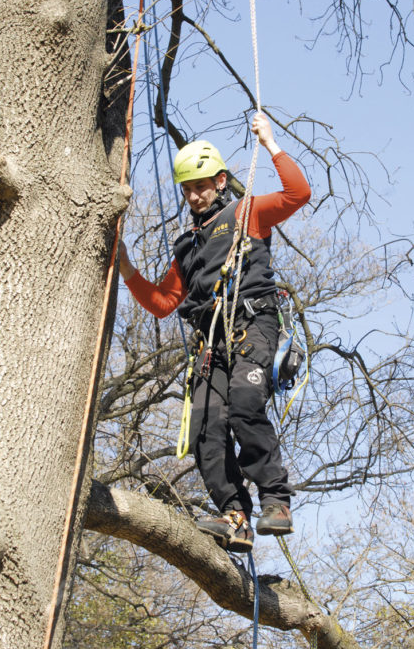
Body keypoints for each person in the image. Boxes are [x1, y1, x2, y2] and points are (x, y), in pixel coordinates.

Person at [119, 113, 311, 553]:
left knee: (245, 405)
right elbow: (164, 303)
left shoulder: (246, 213)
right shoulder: (186, 246)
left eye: (201, 185)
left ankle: (276, 501)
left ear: (220, 180)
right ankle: (235, 515)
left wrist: (271, 142)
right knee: (205, 430)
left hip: (251, 324)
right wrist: (128, 269)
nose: (193, 195)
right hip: (212, 345)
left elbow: (298, 194)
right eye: (187, 189)